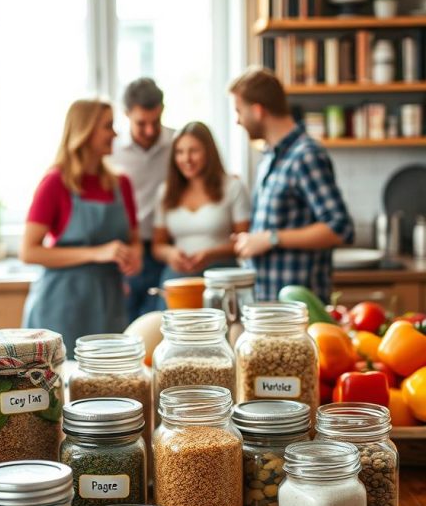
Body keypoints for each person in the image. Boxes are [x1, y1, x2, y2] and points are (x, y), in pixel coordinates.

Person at [20, 98, 142, 357]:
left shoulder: (121, 185)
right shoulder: (55, 183)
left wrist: (134, 257)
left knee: (108, 380)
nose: (115, 133)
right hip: (61, 305)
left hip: (109, 302)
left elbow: (134, 240)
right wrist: (96, 253)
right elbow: (29, 252)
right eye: (108, 126)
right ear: (85, 131)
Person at [229, 67, 354, 302]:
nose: (237, 120)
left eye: (239, 111)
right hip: (268, 305)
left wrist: (270, 238)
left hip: (298, 312)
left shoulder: (305, 155)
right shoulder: (269, 157)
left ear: (257, 110)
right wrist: (253, 241)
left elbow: (340, 228)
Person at [151, 121, 250, 282]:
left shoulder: (233, 187)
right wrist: (170, 254)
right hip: (178, 279)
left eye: (194, 151)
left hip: (222, 278)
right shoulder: (165, 192)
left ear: (209, 152)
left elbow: (244, 242)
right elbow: (158, 246)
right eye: (180, 152)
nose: (186, 158)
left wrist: (210, 255)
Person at [110, 78, 175, 320]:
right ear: (127, 114)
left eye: (155, 122)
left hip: (166, 249)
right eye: (141, 123)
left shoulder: (177, 144)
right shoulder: (112, 150)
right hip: (127, 253)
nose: (150, 130)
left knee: (159, 326)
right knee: (125, 326)